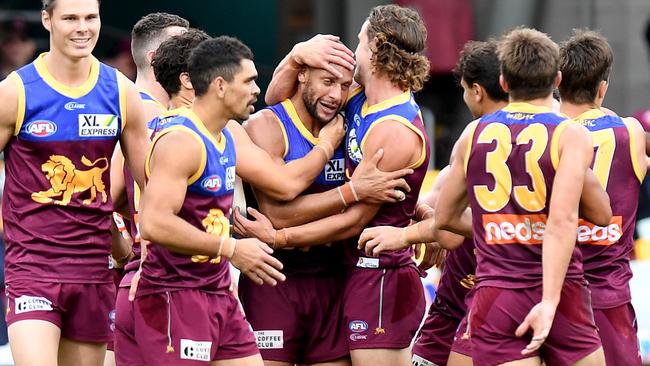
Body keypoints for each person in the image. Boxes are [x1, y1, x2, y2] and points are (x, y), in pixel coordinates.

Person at [238, 5, 431, 366]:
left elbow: (355, 220)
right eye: (328, 82)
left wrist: (278, 237)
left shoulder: (390, 127)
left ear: (373, 51)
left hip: (372, 272)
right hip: (296, 277)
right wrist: (296, 55)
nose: (336, 89)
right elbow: (275, 97)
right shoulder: (356, 99)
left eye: (358, 41)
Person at [433, 27, 606, 366]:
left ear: (505, 82)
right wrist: (550, 301)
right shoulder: (571, 134)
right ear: (557, 80)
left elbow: (445, 219)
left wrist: (498, 225)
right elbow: (574, 219)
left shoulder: (474, 135)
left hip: (497, 293)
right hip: (561, 290)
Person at [0, 0, 150, 364]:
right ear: (47, 19)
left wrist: (140, 240)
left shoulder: (120, 90)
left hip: (94, 269)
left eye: (90, 17)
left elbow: (147, 181)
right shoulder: (16, 91)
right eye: (70, 18)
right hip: (31, 268)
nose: (82, 27)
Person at [113, 28, 208, 366]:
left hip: (140, 278)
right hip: (166, 280)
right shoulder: (158, 120)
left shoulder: (138, 112)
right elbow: (110, 202)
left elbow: (111, 202)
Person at [558, 29, 646, 366]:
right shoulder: (631, 132)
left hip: (553, 292)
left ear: (557, 81)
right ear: (603, 88)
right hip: (609, 297)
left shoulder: (545, 134)